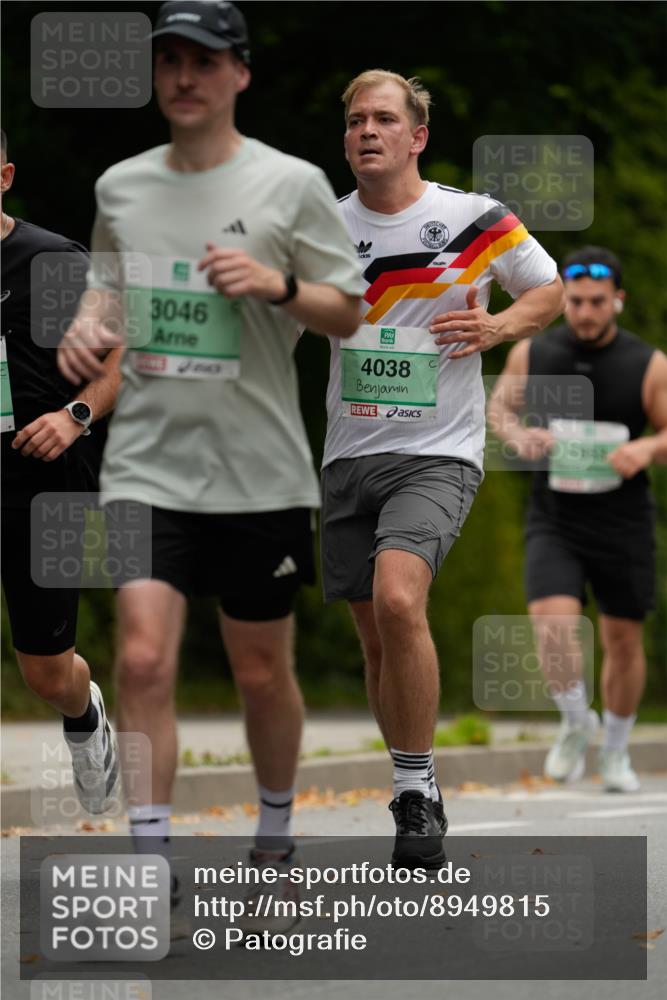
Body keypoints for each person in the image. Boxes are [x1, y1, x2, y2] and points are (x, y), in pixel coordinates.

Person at [57, 0, 362, 904]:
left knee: (260, 669)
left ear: (239, 75)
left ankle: (274, 835)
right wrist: (84, 328)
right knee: (144, 659)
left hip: (258, 469)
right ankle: (151, 859)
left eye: (203, 60)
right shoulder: (122, 186)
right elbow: (109, 295)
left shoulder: (293, 183)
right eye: (169, 62)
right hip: (147, 461)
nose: (184, 77)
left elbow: (347, 310)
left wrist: (276, 284)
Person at [321, 70, 563, 869]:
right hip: (348, 454)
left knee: (398, 597)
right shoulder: (322, 226)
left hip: (437, 453)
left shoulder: (470, 219)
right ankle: (409, 778)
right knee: (375, 635)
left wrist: (495, 326)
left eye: (384, 119)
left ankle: (416, 789)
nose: (367, 132)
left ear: (416, 136)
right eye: (356, 120)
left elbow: (547, 290)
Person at [488, 246, 667, 792]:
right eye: (575, 301)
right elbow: (499, 409)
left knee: (622, 641)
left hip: (622, 521)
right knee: (553, 627)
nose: (585, 312)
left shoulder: (649, 364)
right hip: (555, 517)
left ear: (617, 301)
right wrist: (519, 435)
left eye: (596, 301)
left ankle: (614, 749)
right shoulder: (535, 353)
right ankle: (573, 720)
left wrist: (646, 450)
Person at [1, 128, 122, 814]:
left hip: (41, 484)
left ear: (5, 177)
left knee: (46, 673)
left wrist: (75, 414)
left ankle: (83, 714)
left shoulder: (50, 261)